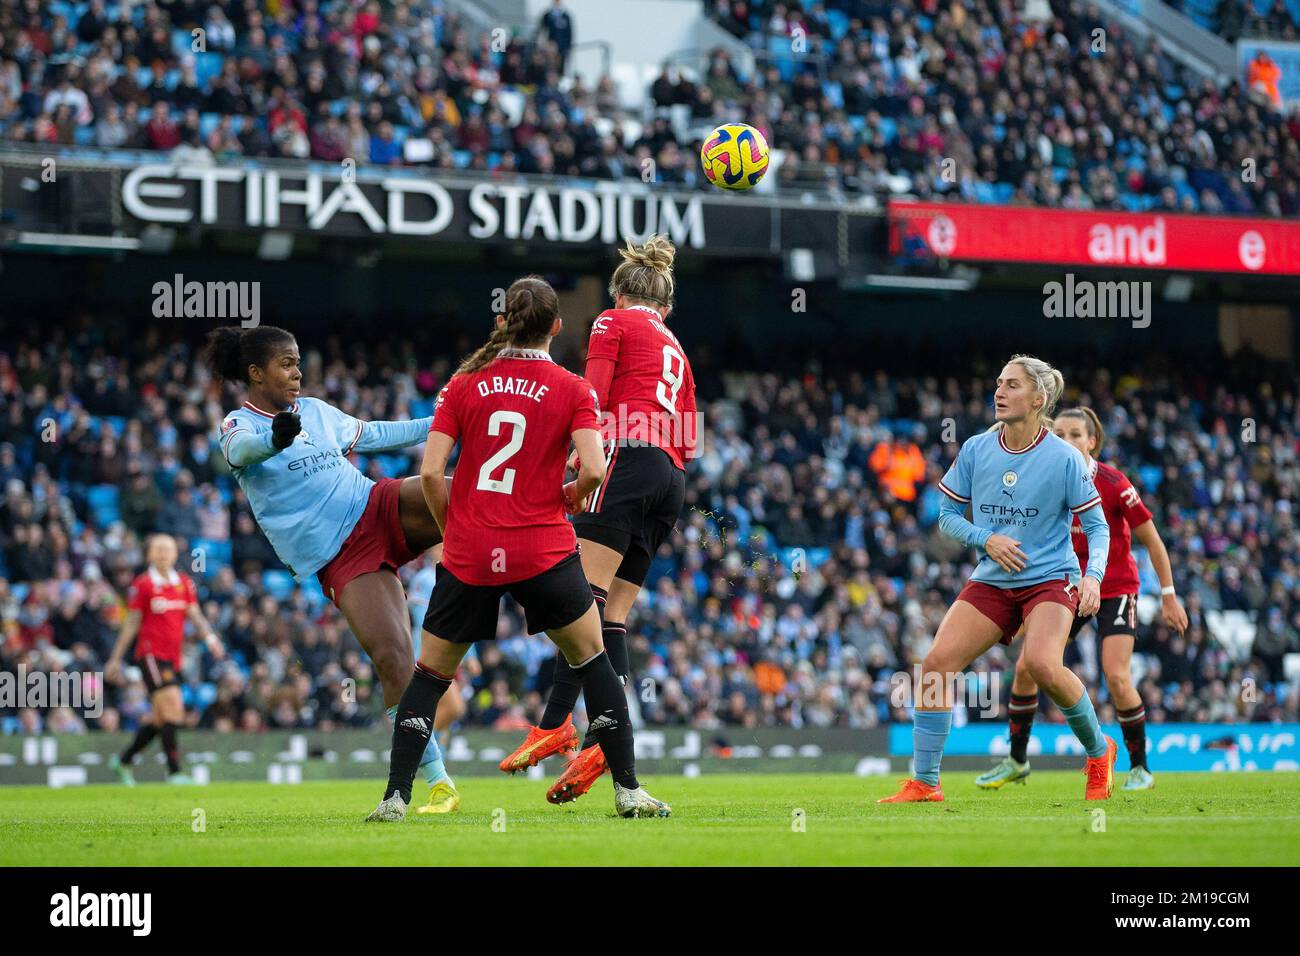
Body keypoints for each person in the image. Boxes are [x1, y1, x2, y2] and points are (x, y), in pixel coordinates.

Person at [367, 277, 669, 821]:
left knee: (429, 678)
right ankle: (628, 791)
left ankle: (394, 799)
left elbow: (432, 472)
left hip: (472, 551)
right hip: (543, 550)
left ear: (503, 322)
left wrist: (452, 528)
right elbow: (597, 469)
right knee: (594, 660)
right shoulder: (574, 387)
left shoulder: (461, 384)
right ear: (556, 326)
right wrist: (571, 497)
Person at [204, 325, 461, 814]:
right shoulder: (239, 426)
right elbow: (242, 453)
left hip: (375, 505)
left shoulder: (317, 412)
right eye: (285, 363)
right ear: (256, 373)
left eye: (299, 361)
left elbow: (383, 435)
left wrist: (449, 420)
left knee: (460, 495)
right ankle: (433, 782)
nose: (298, 372)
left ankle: (557, 513)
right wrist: (275, 441)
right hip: (343, 556)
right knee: (393, 660)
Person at [497, 235, 698, 806]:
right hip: (671, 479)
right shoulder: (676, 347)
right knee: (612, 614)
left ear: (619, 291)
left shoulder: (613, 322)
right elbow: (689, 430)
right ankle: (597, 741)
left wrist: (567, 459)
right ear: (665, 305)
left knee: (578, 603)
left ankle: (556, 721)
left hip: (629, 459)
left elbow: (593, 398)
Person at [879, 355, 1117, 803]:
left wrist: (1093, 578)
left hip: (1050, 578)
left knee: (1045, 666)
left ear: (1038, 398)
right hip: (992, 579)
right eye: (999, 384)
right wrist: (986, 539)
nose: (999, 392)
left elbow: (1098, 526)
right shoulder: (976, 449)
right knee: (934, 667)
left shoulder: (1065, 459)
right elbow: (947, 517)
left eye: (1011, 385)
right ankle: (926, 782)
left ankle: (1098, 751)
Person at [976, 407, 1188, 791]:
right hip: (1068, 585)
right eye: (1059, 433)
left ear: (1092, 442)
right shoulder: (1044, 477)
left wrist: (1169, 594)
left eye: (1076, 434)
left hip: (1115, 586)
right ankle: (1017, 760)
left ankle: (1140, 768)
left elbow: (1152, 540)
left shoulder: (1113, 482)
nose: (1066, 441)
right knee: (1027, 667)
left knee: (1116, 675)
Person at [106, 533, 225, 784]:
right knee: (174, 711)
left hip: (173, 658)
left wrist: (212, 640)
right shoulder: (143, 584)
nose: (163, 553)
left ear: (174, 554)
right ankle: (175, 772)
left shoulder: (183, 583)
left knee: (161, 719)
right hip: (150, 655)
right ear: (149, 554)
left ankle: (124, 761)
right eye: (158, 549)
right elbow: (131, 624)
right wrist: (115, 659)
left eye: (168, 549)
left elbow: (196, 616)